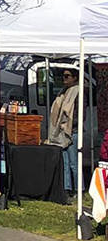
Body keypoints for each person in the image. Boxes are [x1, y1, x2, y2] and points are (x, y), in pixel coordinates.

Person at [47, 68, 81, 196]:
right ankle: (67, 189)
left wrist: (69, 125)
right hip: (61, 132)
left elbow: (79, 114)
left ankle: (78, 190)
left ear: (75, 78)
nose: (64, 78)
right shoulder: (63, 92)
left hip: (72, 131)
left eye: (67, 76)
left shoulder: (78, 92)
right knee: (65, 163)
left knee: (74, 163)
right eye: (63, 76)